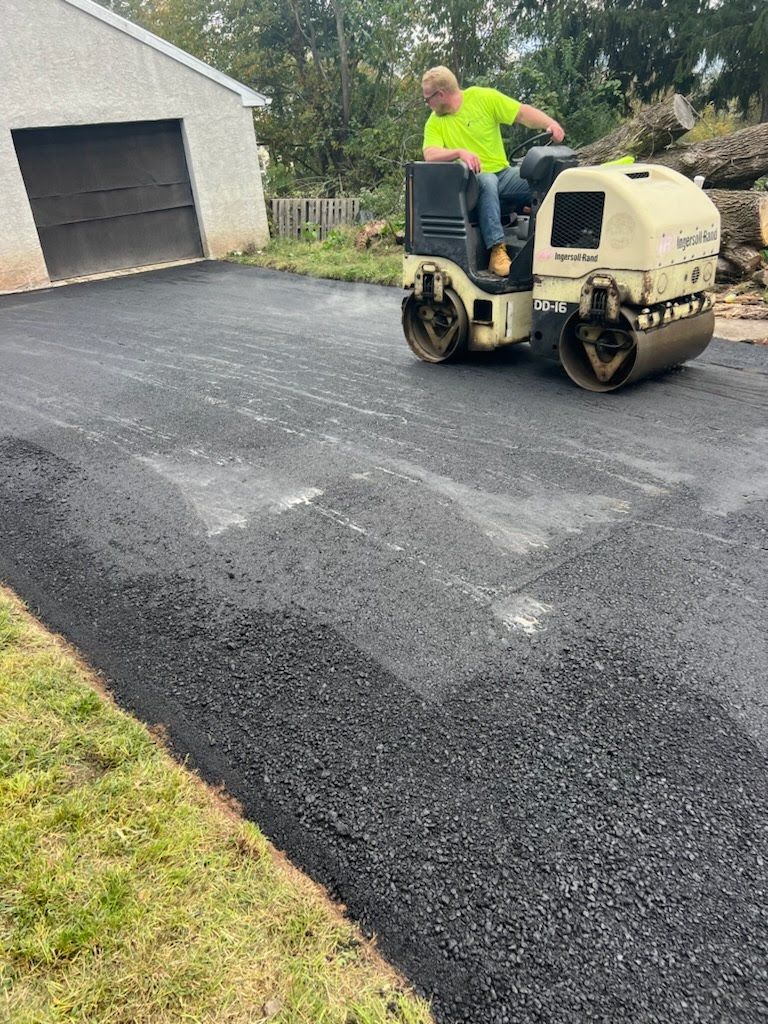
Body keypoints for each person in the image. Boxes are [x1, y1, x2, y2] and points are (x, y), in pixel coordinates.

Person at [421, 66, 565, 276]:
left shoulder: (483, 98)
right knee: (487, 181)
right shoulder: (435, 122)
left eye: (427, 99)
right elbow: (430, 154)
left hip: (503, 175)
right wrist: (459, 152)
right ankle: (497, 251)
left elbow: (521, 113)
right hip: (471, 182)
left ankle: (555, 245)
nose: (427, 104)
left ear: (441, 94)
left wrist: (550, 124)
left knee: (545, 180)